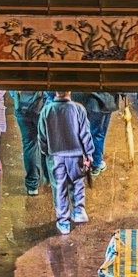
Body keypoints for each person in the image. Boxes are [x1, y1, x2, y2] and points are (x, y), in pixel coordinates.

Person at [41, 89, 92, 235]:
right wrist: (88, 154)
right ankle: (79, 210)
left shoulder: (47, 110)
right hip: (76, 155)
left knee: (59, 188)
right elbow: (85, 134)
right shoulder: (78, 109)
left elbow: (42, 136)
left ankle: (63, 222)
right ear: (70, 91)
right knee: (77, 182)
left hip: (55, 155)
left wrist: (47, 152)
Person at [13, 90, 49, 194]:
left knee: (30, 144)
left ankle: (32, 186)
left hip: (21, 108)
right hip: (40, 109)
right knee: (47, 142)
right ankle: (49, 176)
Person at [75, 89, 115, 176]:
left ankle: (87, 160)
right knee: (98, 134)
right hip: (103, 101)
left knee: (86, 131)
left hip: (87, 101)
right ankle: (95, 164)